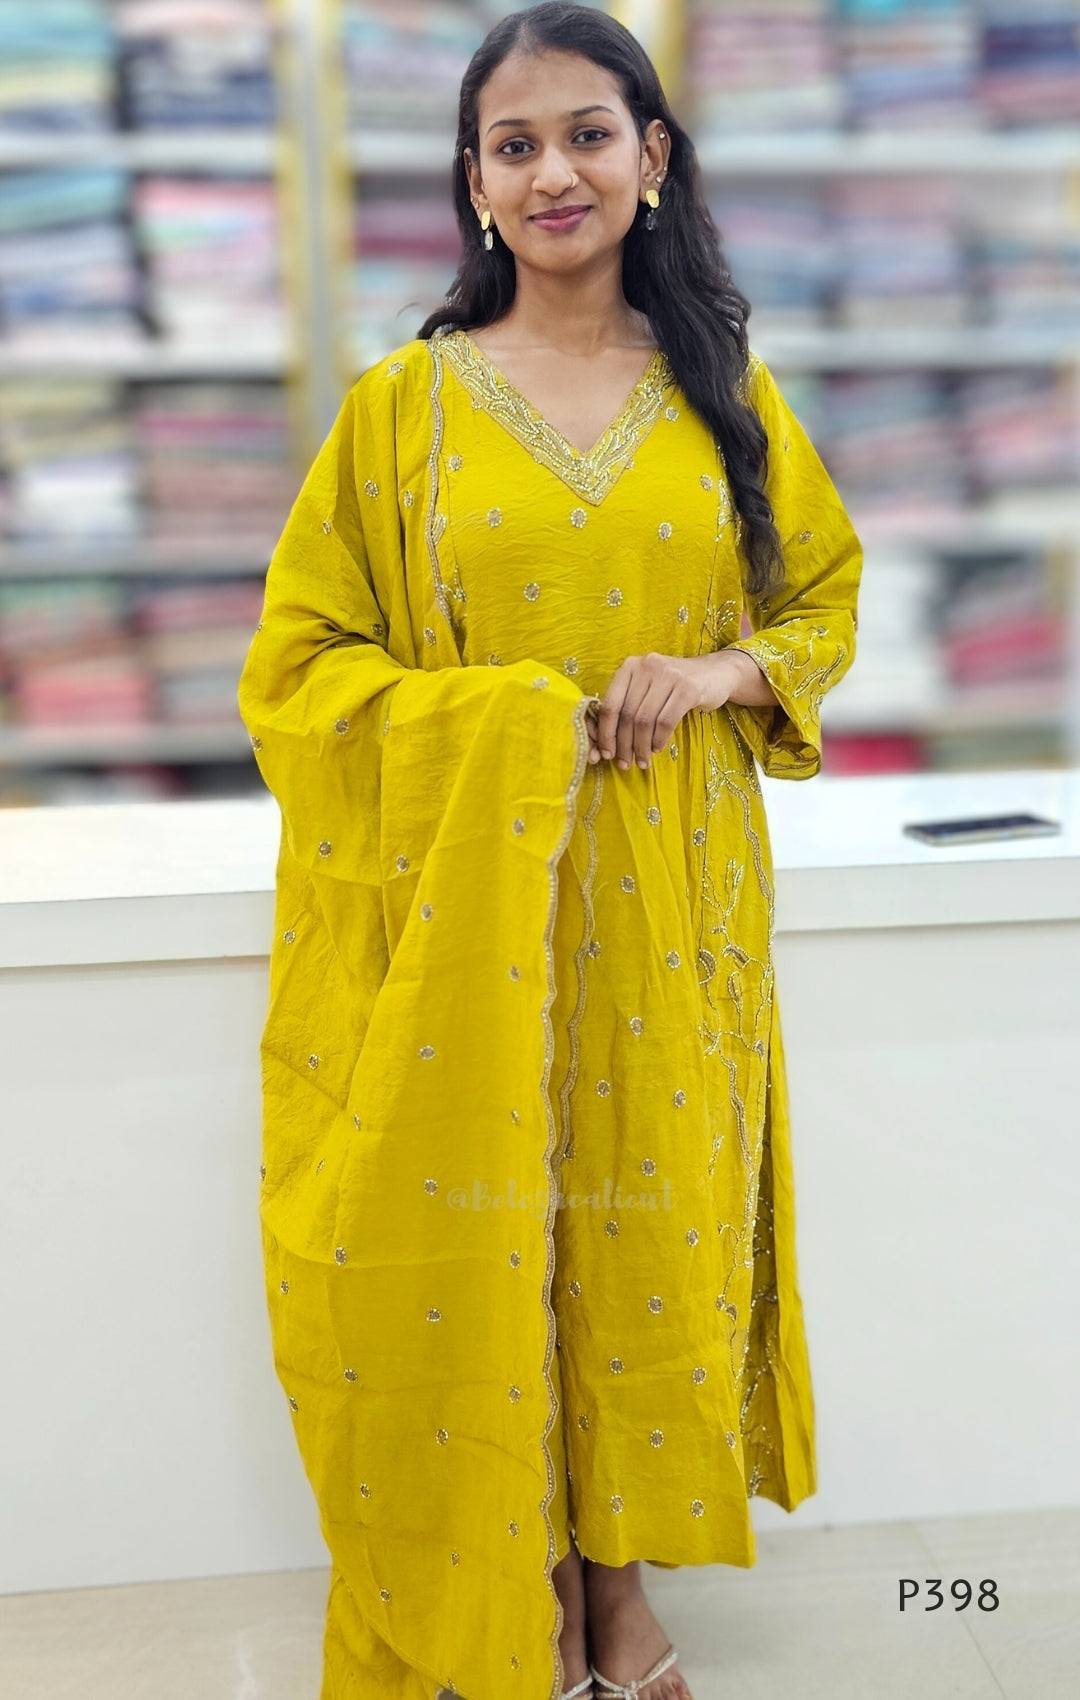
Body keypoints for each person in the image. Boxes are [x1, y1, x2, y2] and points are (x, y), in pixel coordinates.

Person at [237, 5, 862, 1699]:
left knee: (638, 1240)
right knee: (490, 1242)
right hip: (468, 917)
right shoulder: (403, 408)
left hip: (673, 898)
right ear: (477, 184)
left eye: (587, 132)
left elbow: (817, 608)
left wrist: (719, 667)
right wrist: (500, 719)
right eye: (513, 144)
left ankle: (622, 1595)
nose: (553, 170)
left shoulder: (724, 392)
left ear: (653, 159)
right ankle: (515, 1592)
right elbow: (296, 672)